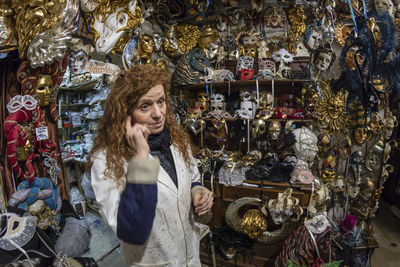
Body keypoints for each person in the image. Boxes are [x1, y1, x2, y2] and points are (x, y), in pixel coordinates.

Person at [89, 64, 213, 266]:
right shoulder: (107, 160)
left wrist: (197, 190)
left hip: (190, 258)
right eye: (145, 106)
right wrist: (141, 158)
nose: (158, 113)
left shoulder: (174, 140)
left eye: (161, 102)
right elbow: (131, 230)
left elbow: (192, 177)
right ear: (124, 112)